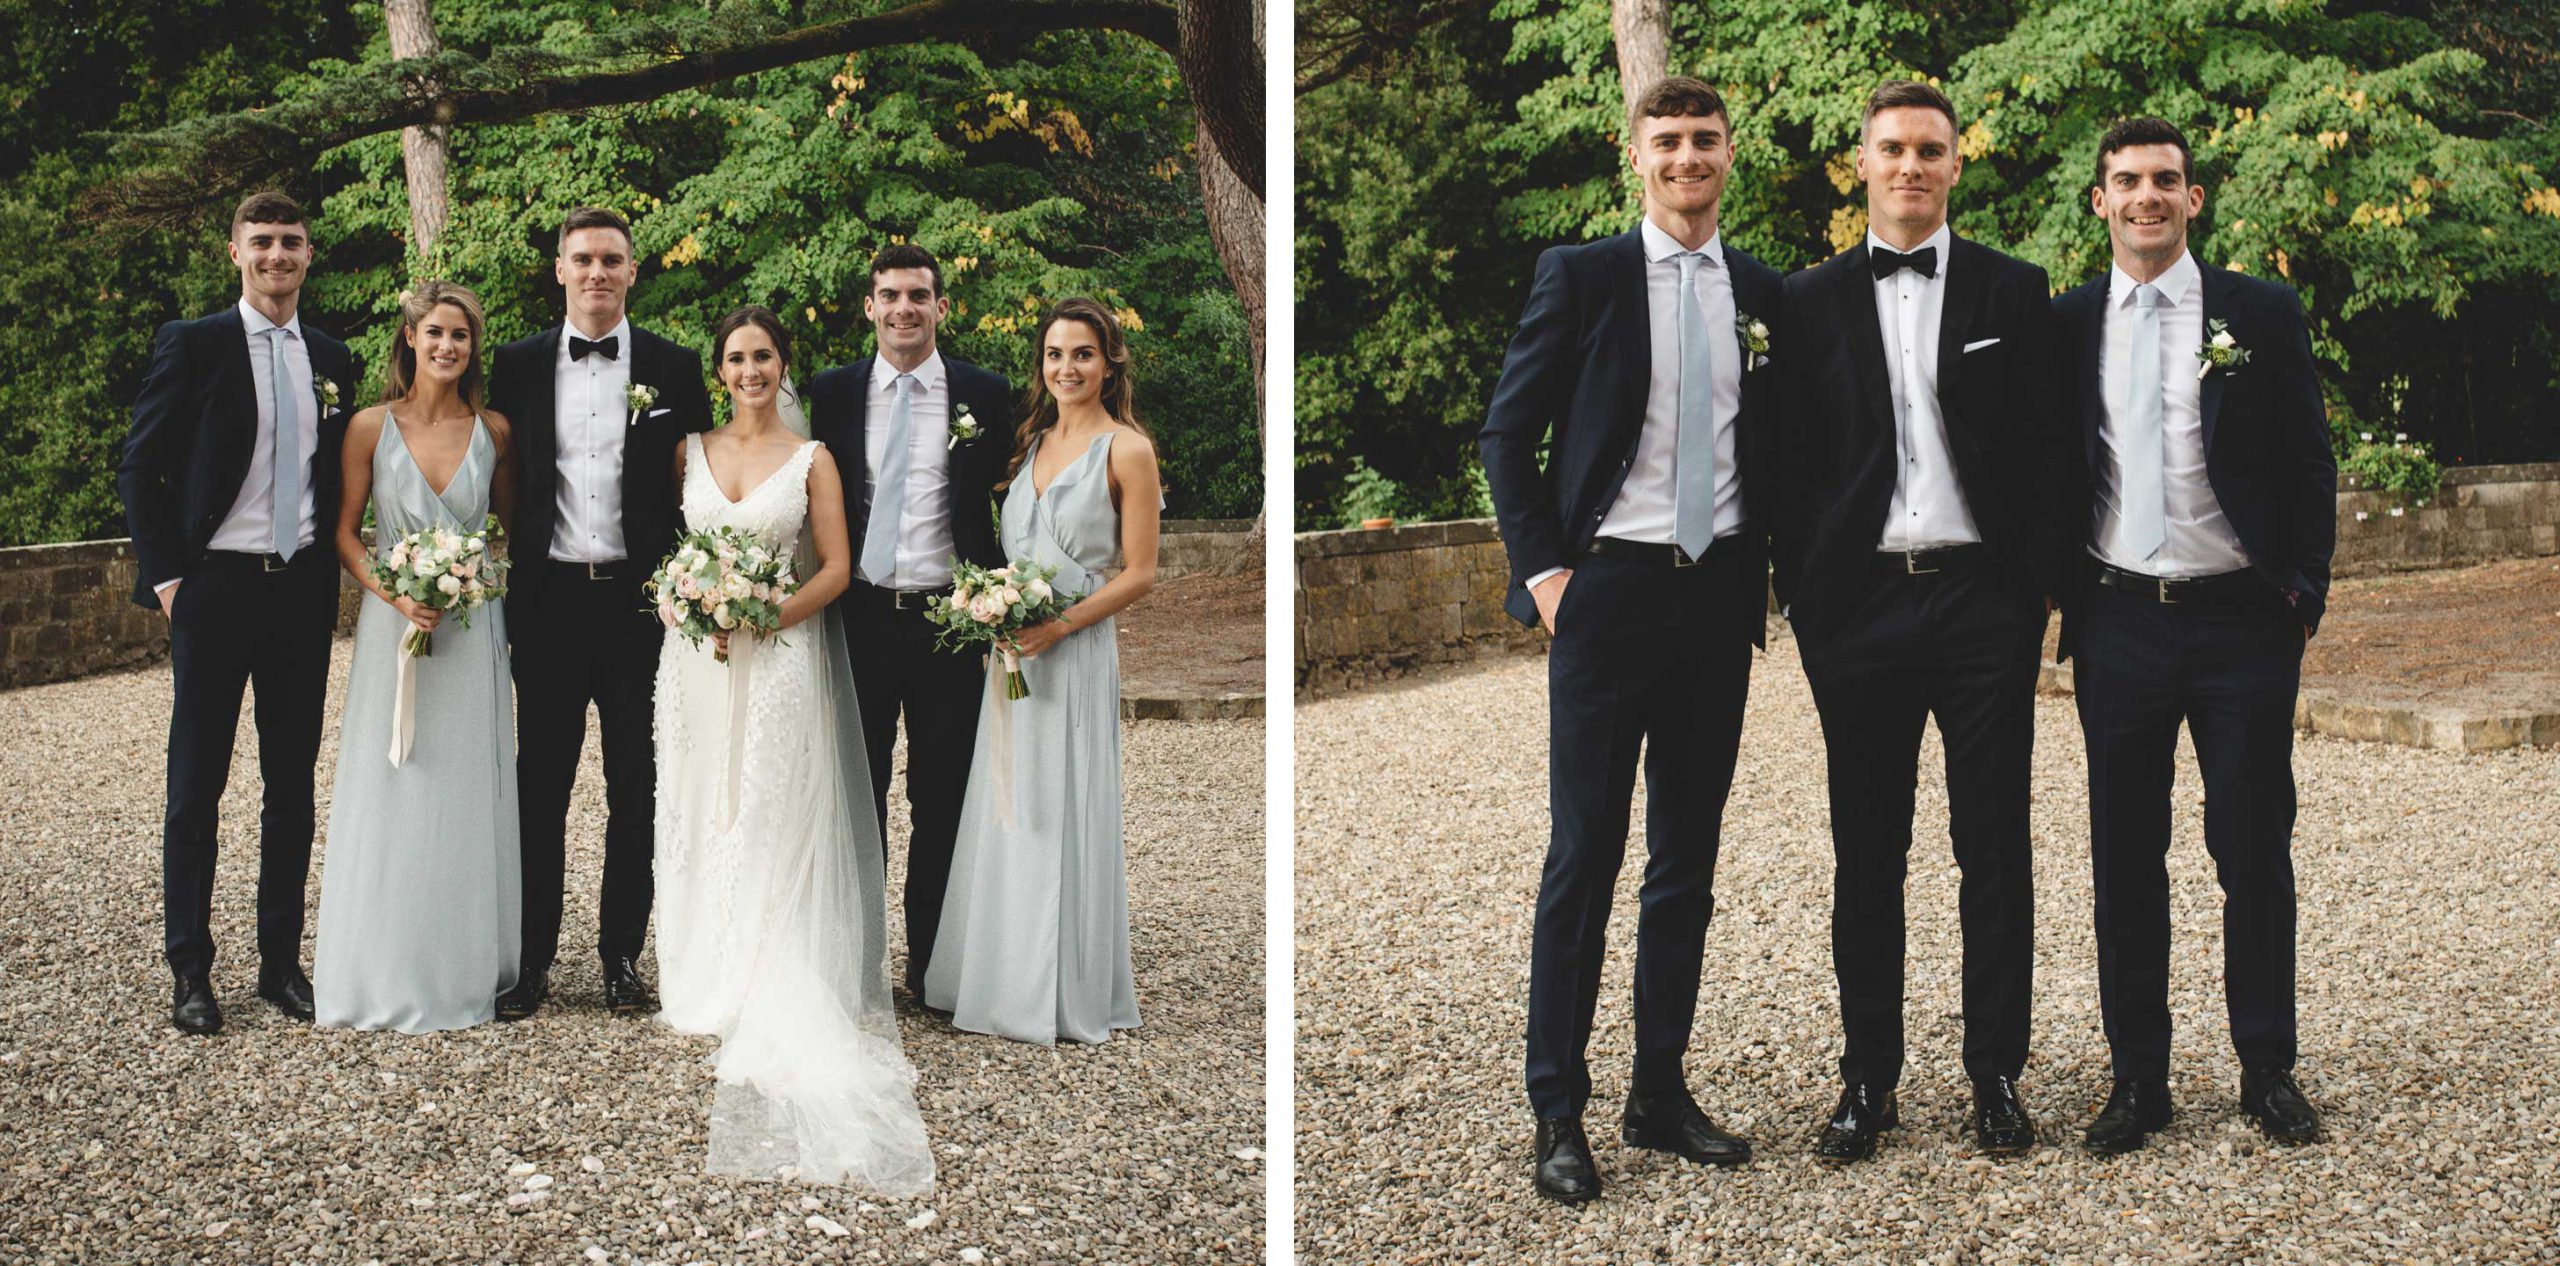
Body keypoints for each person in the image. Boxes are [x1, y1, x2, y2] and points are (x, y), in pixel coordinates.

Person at [1478, 76, 1785, 1203]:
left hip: (1716, 600)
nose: (1687, 157)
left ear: (1729, 153)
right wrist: (1549, 577)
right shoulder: (1584, 276)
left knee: (1685, 864)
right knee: (1584, 857)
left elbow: (1786, 442)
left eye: (1705, 139)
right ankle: (1556, 1109)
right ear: (1636, 155)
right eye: (1669, 141)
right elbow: (1507, 434)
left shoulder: (1764, 292)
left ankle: (1658, 1091)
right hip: (1606, 595)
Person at [1770, 79, 2074, 1163]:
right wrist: (1808, 597)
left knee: (1992, 844)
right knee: (1867, 852)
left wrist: (2031, 590)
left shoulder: (2012, 289)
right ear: (1861, 162)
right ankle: (1868, 1079)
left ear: (1954, 164)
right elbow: (1784, 459)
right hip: (1855, 609)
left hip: (1980, 602)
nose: (1910, 166)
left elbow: (2049, 448)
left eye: (1929, 150)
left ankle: (1996, 1074)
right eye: (1892, 149)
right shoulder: (1803, 301)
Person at [2053, 117, 2334, 1154]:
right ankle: (2138, 1080)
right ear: (2101, 201)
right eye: (2127, 181)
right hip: (2120, 618)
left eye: (2165, 180)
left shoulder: (2258, 312)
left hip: (2241, 623)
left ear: (2192, 198)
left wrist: (2301, 594)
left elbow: (2309, 461)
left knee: (2251, 849)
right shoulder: (2066, 322)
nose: (2147, 197)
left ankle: (2267, 1068)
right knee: (2126, 857)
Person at [651, 305, 933, 1192]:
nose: (750, 371)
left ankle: (765, 966)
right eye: (736, 357)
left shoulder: (813, 459)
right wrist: (684, 603)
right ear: (719, 369)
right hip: (696, 661)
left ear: (783, 365)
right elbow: (671, 556)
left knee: (768, 807)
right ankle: (700, 967)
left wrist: (764, 616)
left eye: (764, 356)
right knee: (698, 803)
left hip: (777, 658)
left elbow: (837, 568)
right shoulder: (687, 451)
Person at [117, 191, 357, 1035]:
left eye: (290, 241)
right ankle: (191, 970)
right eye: (262, 242)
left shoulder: (332, 356)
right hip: (213, 589)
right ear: (236, 252)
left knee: (290, 787)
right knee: (196, 788)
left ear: (309, 253)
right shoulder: (195, 344)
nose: (276, 255)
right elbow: (139, 468)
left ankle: (280, 965)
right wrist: (169, 581)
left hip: (298, 592)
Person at [489, 206, 713, 1020]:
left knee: (637, 786)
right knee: (539, 787)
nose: (596, 272)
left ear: (632, 271)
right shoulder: (514, 365)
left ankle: (622, 955)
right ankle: (532, 961)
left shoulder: (675, 367)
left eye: (611, 260)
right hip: (546, 604)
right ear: (559, 269)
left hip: (639, 608)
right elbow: (494, 473)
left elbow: (699, 484)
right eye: (582, 259)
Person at [924, 297, 1160, 1045]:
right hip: (1012, 653)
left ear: (1109, 363)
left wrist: (1059, 625)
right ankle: (997, 974)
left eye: (1083, 354)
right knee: (1008, 800)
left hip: (1073, 650)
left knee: (1064, 802)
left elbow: (1140, 572)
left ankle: (1060, 988)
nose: (1067, 368)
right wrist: (993, 610)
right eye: (1055, 355)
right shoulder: (1028, 443)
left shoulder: (1128, 450)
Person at [312, 280, 521, 1033]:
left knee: (463, 783)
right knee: (393, 777)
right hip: (390, 624)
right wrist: (396, 594)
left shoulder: (494, 430)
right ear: (411, 338)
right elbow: (345, 532)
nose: (446, 346)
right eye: (435, 332)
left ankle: (462, 963)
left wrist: (471, 583)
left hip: (470, 628)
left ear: (472, 347)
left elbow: (505, 533)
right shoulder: (370, 427)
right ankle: (380, 963)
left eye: (460, 336)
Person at [805, 246, 1012, 996]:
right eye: (889, 296)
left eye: (918, 296)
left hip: (948, 623)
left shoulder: (986, 394)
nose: (904, 309)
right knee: (855, 798)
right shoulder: (832, 393)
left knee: (942, 797)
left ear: (941, 307)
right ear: (870, 307)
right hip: (859, 617)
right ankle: (859, 965)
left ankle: (933, 966)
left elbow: (1013, 495)